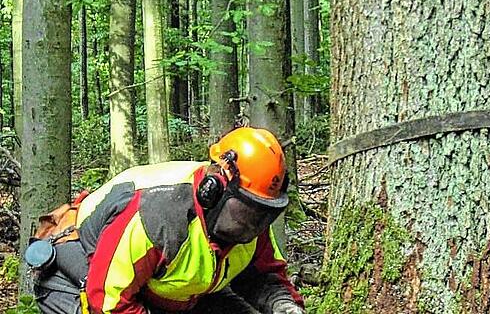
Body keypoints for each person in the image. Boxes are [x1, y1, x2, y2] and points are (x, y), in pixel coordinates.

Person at [29, 127, 305, 314]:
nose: (253, 224)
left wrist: (284, 305)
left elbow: (263, 276)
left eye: (263, 212)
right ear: (214, 189)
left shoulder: (250, 225)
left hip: (172, 292)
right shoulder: (157, 218)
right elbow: (108, 302)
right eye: (245, 210)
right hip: (81, 280)